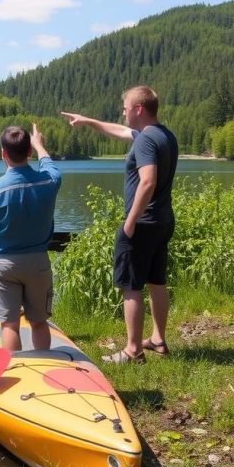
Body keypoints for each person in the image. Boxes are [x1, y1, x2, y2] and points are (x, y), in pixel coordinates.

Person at [61, 85, 178, 364]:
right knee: (156, 281)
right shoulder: (163, 135)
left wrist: (130, 220)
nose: (122, 112)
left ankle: (132, 350)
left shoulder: (145, 142)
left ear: (138, 109)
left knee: (131, 285)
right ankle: (158, 339)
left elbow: (147, 180)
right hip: (162, 220)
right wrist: (88, 121)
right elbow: (119, 130)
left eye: (125, 108)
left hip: (143, 223)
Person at [0, 124, 61, 352]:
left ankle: (16, 371)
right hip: (38, 263)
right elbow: (49, 165)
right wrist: (39, 144)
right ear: (29, 151)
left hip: (5, 266)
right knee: (39, 323)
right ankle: (44, 365)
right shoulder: (50, 181)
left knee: (9, 325)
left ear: (3, 153)